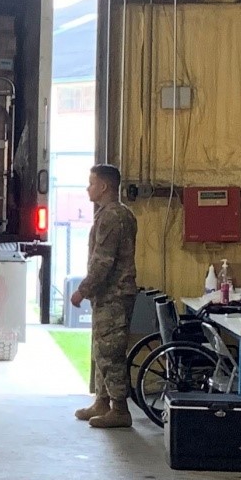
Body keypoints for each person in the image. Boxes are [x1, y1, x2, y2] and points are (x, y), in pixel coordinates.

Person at [71, 164, 138, 429]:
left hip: (114, 295)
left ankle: (119, 409)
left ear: (104, 187)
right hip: (109, 295)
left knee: (111, 352)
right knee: (101, 349)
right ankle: (102, 401)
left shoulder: (112, 217)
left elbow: (103, 262)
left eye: (91, 183)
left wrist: (82, 290)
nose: (88, 188)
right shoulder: (116, 214)